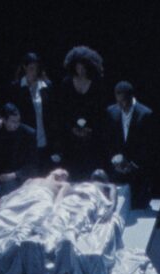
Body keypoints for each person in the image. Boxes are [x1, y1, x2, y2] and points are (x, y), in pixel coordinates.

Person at [2, 52, 61, 174]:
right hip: (26, 141)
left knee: (46, 174)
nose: (34, 72)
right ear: (24, 67)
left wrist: (56, 145)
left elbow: (53, 115)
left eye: (36, 68)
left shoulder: (46, 86)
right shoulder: (16, 87)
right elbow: (11, 112)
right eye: (31, 68)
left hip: (45, 138)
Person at [104, 80, 155, 209]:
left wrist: (132, 164)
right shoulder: (111, 112)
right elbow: (109, 139)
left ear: (131, 97)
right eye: (118, 101)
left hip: (137, 167)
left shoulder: (145, 114)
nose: (122, 105)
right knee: (119, 204)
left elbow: (148, 145)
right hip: (118, 168)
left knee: (139, 205)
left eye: (124, 101)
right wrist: (115, 158)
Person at [58, 45, 106, 179]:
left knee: (91, 167)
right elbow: (63, 110)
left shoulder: (96, 83)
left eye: (83, 67)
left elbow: (100, 110)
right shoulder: (67, 83)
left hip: (92, 136)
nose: (81, 70)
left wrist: (89, 129)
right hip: (71, 137)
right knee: (73, 169)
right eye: (78, 67)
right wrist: (72, 128)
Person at [0, 102, 35, 199]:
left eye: (18, 121)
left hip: (17, 175)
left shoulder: (28, 134)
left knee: (6, 189)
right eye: (13, 121)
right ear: (3, 119)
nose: (16, 124)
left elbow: (32, 164)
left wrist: (12, 175)